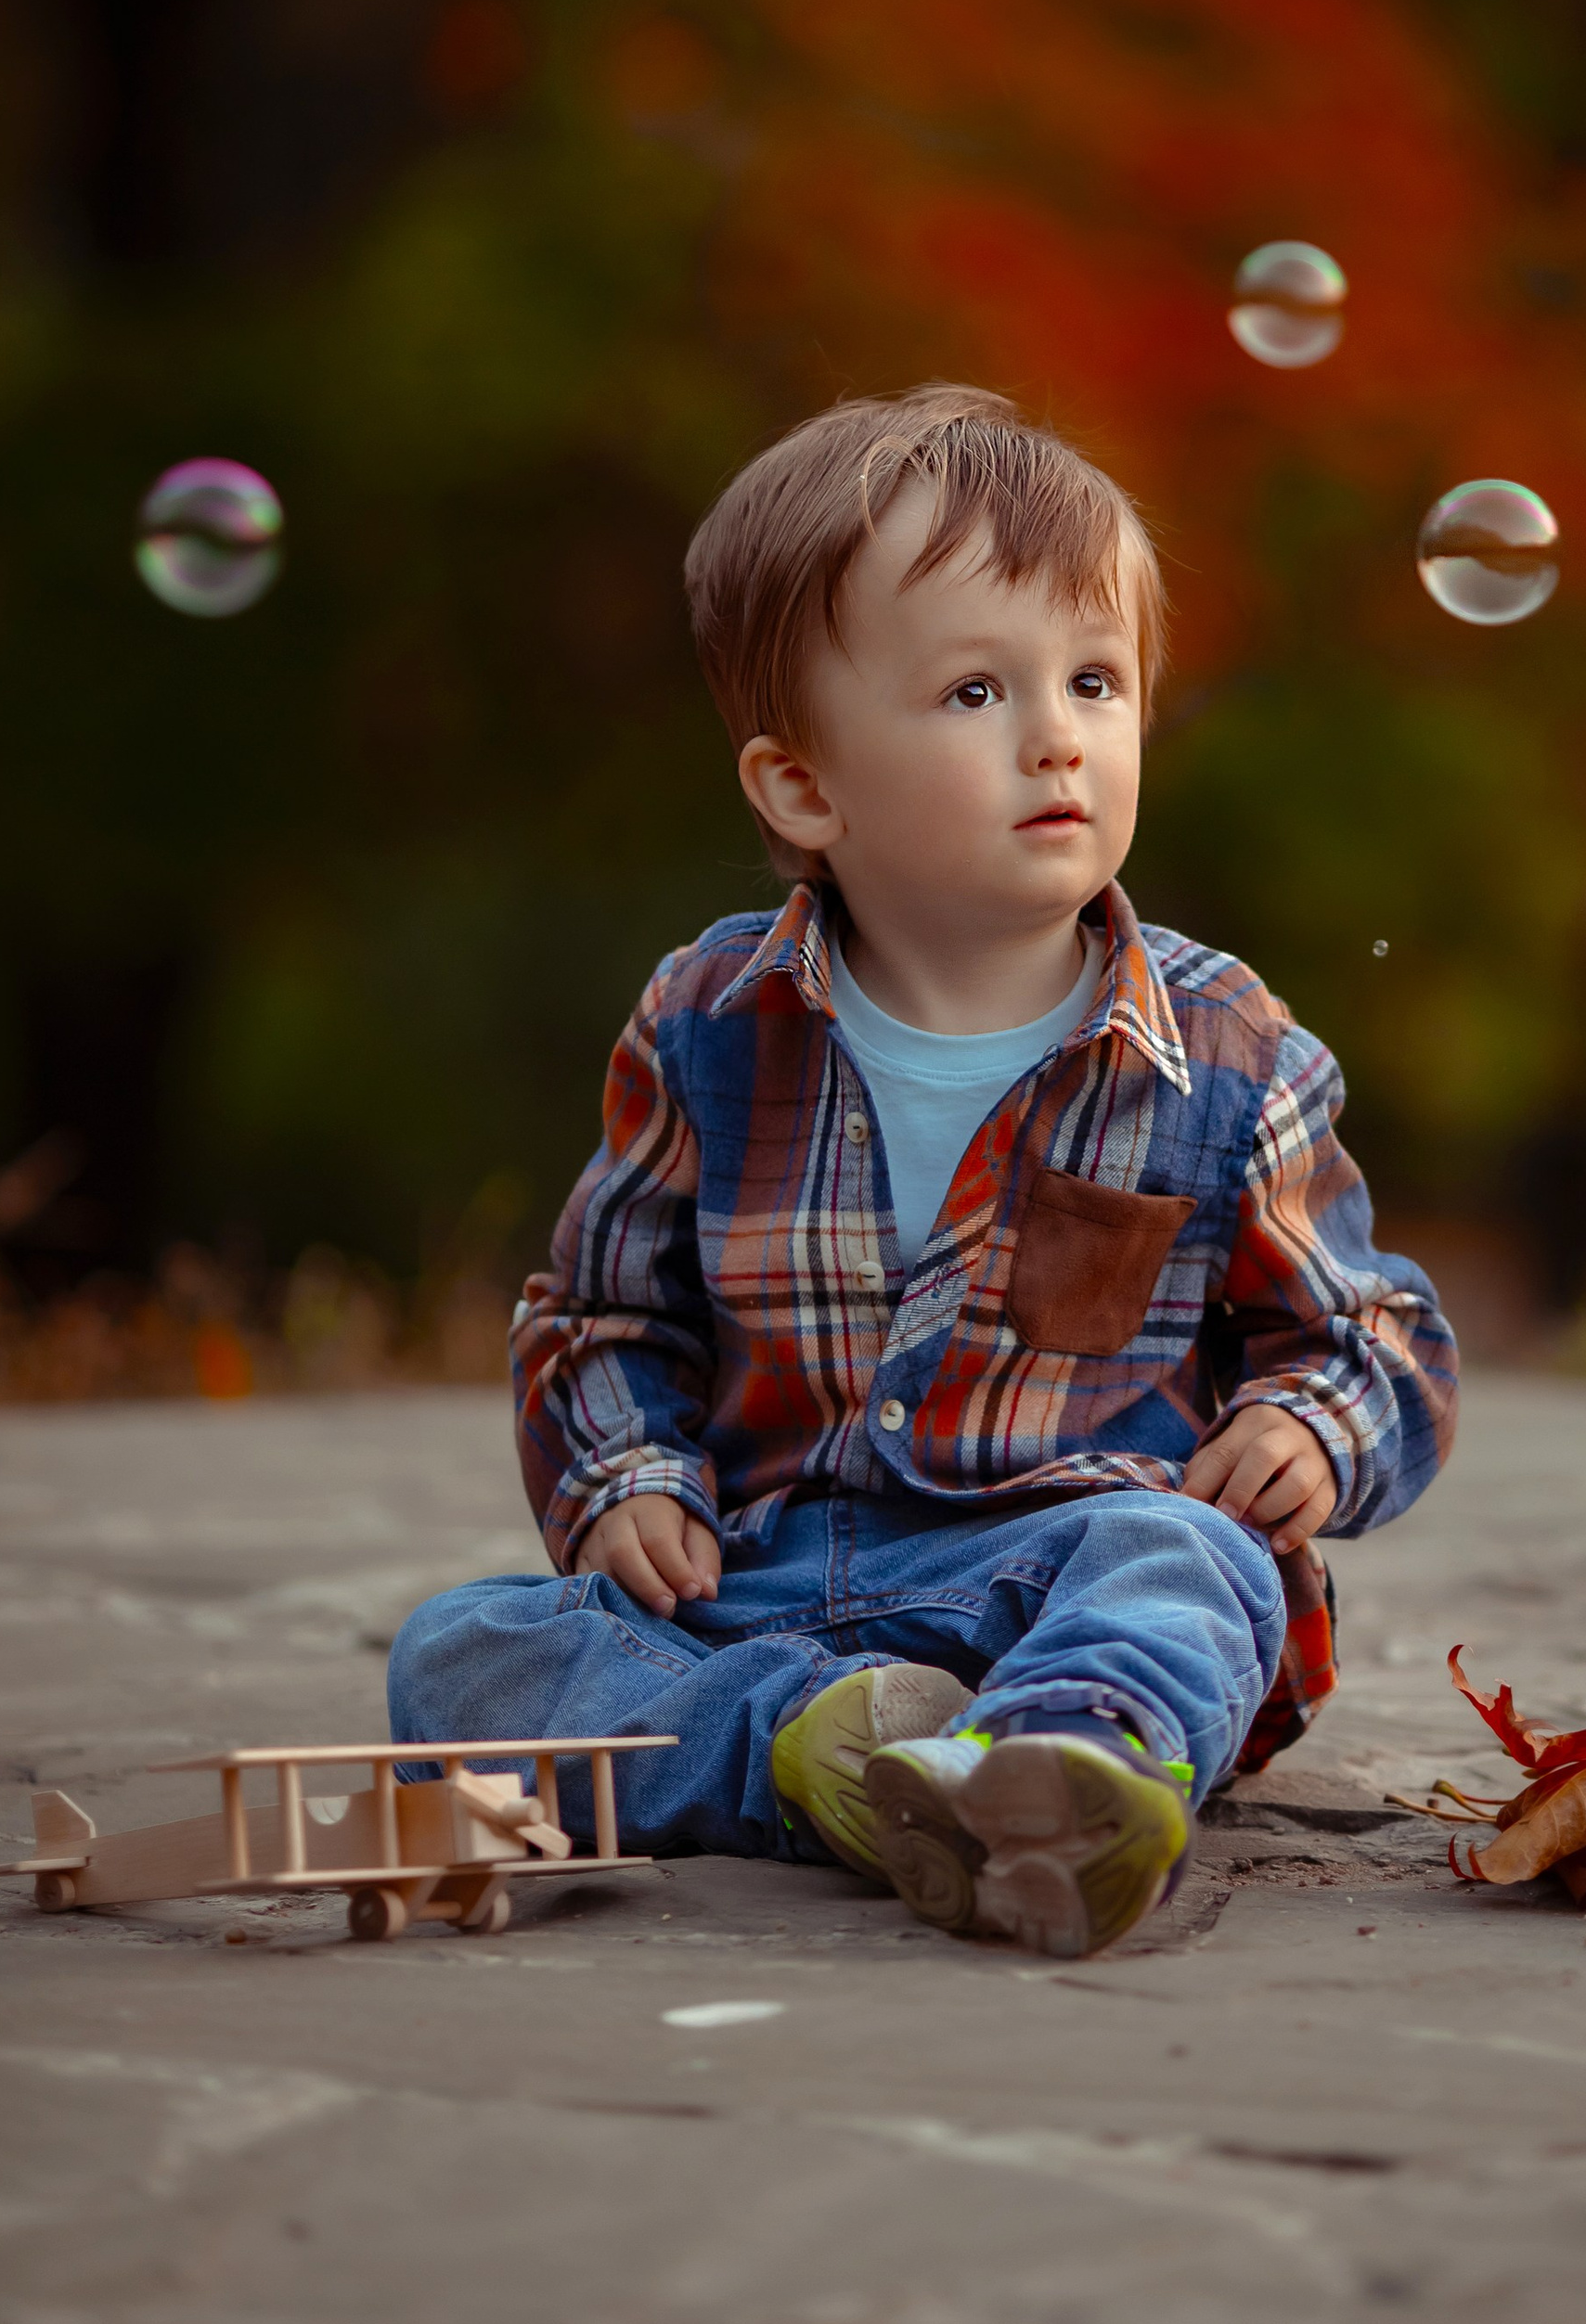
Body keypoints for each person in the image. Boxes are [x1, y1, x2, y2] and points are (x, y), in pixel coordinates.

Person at [389, 384, 1457, 1957]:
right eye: (973, 690)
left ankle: (1067, 1758)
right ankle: (827, 1749)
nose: (1057, 734)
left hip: (1058, 1563)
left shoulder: (1228, 1048)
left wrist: (1310, 1425)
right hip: (762, 1582)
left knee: (1192, 1556)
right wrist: (630, 1481)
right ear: (803, 788)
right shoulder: (708, 1022)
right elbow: (603, 1317)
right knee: (457, 1651)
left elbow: (1376, 1331)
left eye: (1095, 679)